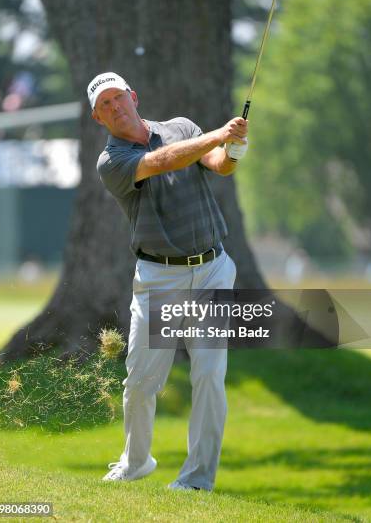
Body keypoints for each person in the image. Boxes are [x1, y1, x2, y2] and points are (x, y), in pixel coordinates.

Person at [87, 72, 248, 491]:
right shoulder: (112, 162)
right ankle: (136, 461)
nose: (115, 107)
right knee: (142, 381)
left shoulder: (181, 128)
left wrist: (232, 150)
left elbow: (217, 165)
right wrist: (217, 134)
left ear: (133, 97)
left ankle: (197, 479)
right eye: (104, 104)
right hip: (160, 278)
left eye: (118, 97)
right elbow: (163, 161)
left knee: (210, 375)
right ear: (97, 118)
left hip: (212, 269)